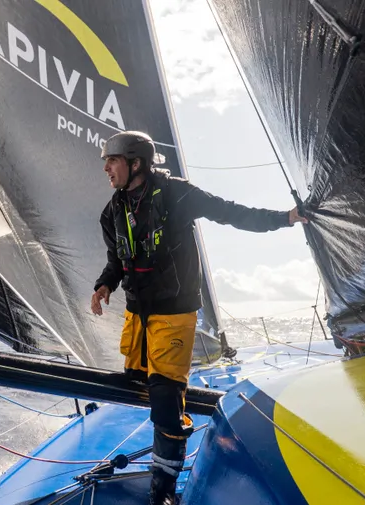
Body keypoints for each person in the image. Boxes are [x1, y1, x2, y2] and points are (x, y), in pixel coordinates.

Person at [89, 131, 307, 505]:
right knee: (137, 382)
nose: (106, 168)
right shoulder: (112, 212)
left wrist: (285, 219)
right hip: (137, 316)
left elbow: (231, 212)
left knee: (166, 402)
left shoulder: (177, 194)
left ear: (136, 163)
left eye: (113, 160)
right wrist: (104, 285)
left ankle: (164, 492)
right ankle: (168, 434)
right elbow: (116, 261)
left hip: (174, 313)